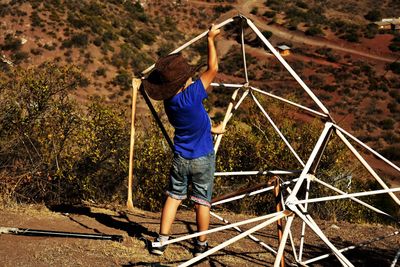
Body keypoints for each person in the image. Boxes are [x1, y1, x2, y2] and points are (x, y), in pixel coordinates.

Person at [143, 24, 221, 256]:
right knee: (202, 201)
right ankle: (201, 244)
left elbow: (196, 123)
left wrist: (213, 128)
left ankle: (161, 240)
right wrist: (210, 39)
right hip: (202, 158)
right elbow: (213, 68)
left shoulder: (171, 103)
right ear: (183, 82)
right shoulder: (192, 96)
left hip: (181, 157)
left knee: (174, 197)